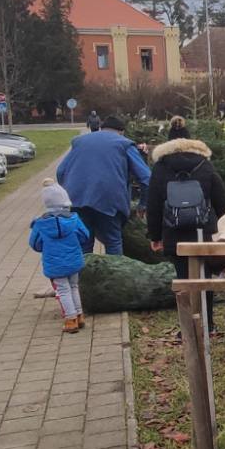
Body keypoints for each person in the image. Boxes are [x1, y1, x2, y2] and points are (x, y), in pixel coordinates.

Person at [147, 117, 225, 326]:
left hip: (173, 231)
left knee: (184, 279)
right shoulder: (205, 164)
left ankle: (188, 326)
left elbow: (154, 203)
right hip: (204, 230)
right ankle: (208, 323)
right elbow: (220, 198)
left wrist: (155, 236)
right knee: (205, 278)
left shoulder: (160, 167)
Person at [56, 115, 150, 255]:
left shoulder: (80, 141)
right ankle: (115, 275)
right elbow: (146, 177)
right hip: (109, 201)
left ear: (101, 128)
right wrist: (143, 204)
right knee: (113, 242)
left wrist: (70, 191)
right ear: (121, 131)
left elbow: (60, 172)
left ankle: (83, 275)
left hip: (78, 200)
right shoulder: (124, 143)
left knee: (84, 243)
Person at [28, 180, 90, 333]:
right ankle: (79, 315)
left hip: (54, 264)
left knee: (62, 290)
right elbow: (85, 236)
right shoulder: (74, 219)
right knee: (74, 286)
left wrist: (46, 247)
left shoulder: (40, 224)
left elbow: (35, 243)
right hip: (74, 260)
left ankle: (70, 320)